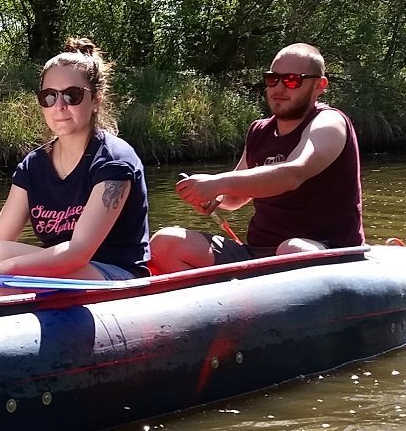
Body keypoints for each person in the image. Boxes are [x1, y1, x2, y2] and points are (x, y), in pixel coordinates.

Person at [148, 42, 363, 272]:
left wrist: (217, 182)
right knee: (165, 243)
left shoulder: (329, 123)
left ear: (319, 85)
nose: (279, 88)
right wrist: (217, 196)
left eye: (292, 80)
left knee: (291, 250)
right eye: (273, 79)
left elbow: (293, 174)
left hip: (321, 250)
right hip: (257, 253)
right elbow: (237, 197)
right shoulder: (259, 131)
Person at [0, 38, 150, 281]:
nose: (59, 106)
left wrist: (3, 268)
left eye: (72, 95)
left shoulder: (114, 161)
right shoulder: (33, 166)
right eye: (49, 97)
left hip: (114, 277)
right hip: (63, 272)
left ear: (96, 100)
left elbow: (78, 253)